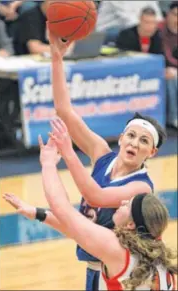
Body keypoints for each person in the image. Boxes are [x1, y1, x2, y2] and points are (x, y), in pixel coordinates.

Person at [48, 29, 167, 291]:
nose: (135, 143)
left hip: (120, 273)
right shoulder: (101, 153)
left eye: (144, 141)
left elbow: (96, 196)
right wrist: (56, 59)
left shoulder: (141, 188)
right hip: (93, 267)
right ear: (122, 137)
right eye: (131, 135)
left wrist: (67, 153)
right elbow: (64, 111)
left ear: (152, 153)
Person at [3, 135, 177, 290]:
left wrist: (48, 164)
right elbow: (79, 231)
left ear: (131, 224)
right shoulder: (155, 246)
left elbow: (62, 208)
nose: (122, 202)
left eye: (127, 205)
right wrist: (38, 213)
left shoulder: (117, 250)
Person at [159, 1, 178, 129]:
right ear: (168, 15)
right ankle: (174, 118)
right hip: (165, 68)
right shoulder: (160, 30)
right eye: (175, 15)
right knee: (172, 75)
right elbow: (167, 56)